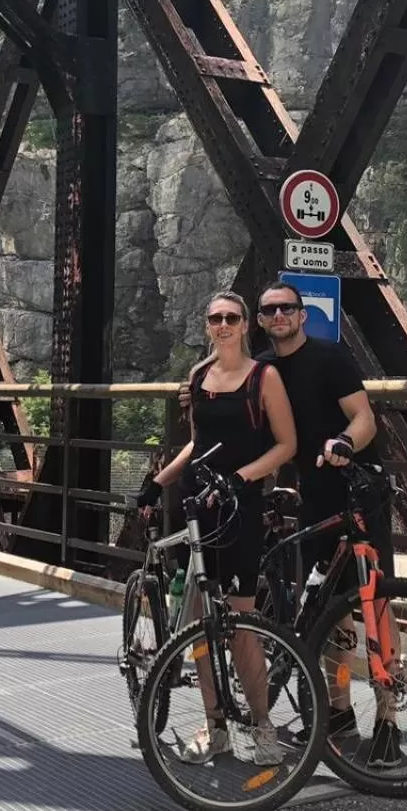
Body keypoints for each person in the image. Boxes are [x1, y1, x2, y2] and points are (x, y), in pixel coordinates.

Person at [136, 291, 297, 766]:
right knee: (202, 623)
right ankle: (215, 726)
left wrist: (241, 477)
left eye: (231, 318)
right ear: (208, 326)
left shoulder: (263, 377)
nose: (223, 325)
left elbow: (287, 444)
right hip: (197, 507)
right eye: (215, 319)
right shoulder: (200, 377)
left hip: (239, 508)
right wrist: (156, 483)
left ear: (246, 325)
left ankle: (263, 728)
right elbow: (196, 444)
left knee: (241, 623)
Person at [251, 279, 404, 769]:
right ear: (260, 320)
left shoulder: (330, 357)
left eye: (287, 309)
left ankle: (388, 720)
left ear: (302, 315)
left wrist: (342, 441)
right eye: (269, 310)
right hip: (316, 498)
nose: (279, 317)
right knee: (330, 609)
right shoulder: (264, 369)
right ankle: (340, 714)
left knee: (375, 600)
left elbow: (364, 418)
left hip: (359, 487)